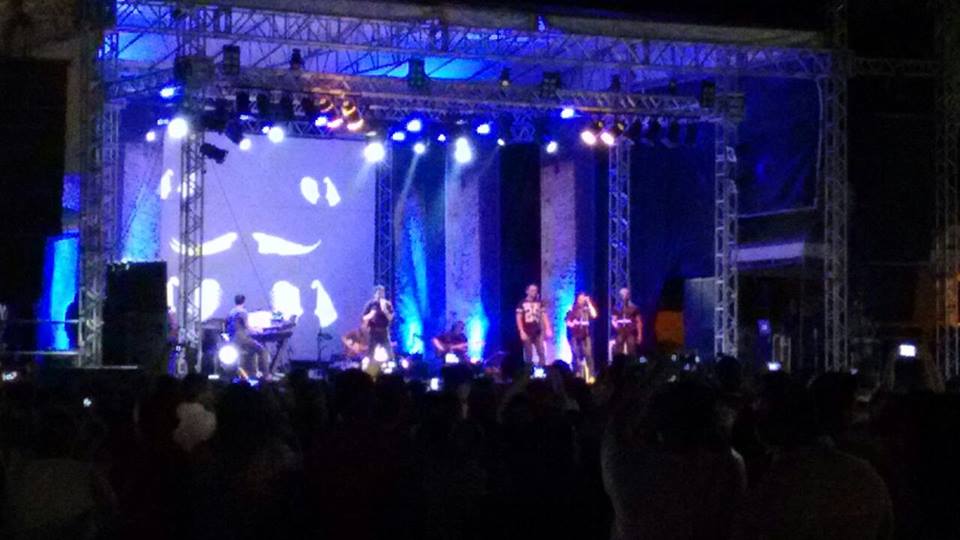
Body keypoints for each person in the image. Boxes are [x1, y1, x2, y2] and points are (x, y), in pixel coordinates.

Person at [225, 294, 270, 377]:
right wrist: (257, 330)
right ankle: (266, 375)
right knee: (262, 350)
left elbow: (227, 326)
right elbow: (247, 326)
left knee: (250, 350)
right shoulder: (243, 312)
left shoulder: (231, 312)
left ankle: (250, 372)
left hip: (232, 339)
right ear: (243, 301)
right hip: (241, 338)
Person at [516, 284, 552, 366]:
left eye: (535, 290)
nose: (534, 292)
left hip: (537, 331)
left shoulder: (539, 303)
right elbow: (518, 318)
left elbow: (544, 315)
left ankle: (543, 369)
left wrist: (548, 328)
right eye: (532, 290)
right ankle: (528, 370)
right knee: (528, 353)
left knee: (541, 351)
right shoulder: (522, 303)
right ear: (527, 291)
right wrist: (521, 331)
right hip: (527, 331)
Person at [361, 285, 394, 375]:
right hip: (373, 331)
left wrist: (385, 310)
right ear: (375, 294)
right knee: (371, 352)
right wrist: (371, 315)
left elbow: (391, 318)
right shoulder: (370, 304)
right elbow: (363, 317)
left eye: (382, 293)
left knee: (389, 351)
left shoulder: (387, 304)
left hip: (384, 331)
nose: (380, 295)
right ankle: (369, 371)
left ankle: (391, 370)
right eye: (378, 293)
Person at [565, 292, 597, 381]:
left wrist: (589, 303)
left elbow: (594, 315)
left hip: (586, 335)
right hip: (575, 335)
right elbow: (567, 321)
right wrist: (572, 323)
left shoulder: (587, 308)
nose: (582, 300)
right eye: (580, 298)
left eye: (583, 298)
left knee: (588, 355)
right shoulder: (572, 308)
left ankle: (591, 375)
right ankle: (577, 374)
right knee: (576, 355)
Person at [611, 287, 642, 358]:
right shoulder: (617, 307)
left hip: (631, 332)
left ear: (628, 295)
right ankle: (618, 362)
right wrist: (617, 327)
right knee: (618, 349)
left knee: (631, 348)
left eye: (625, 294)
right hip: (620, 332)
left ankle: (632, 363)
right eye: (622, 295)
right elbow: (613, 320)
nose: (624, 296)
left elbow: (639, 322)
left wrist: (640, 335)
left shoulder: (634, 307)